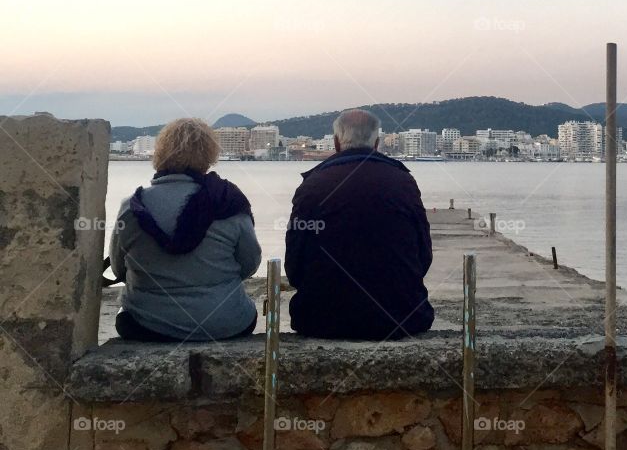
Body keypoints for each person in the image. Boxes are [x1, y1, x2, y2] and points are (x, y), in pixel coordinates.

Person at [285, 108, 434, 339]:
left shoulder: (312, 186)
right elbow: (424, 255)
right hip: (401, 317)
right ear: (376, 143)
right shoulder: (403, 182)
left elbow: (294, 263)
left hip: (320, 319)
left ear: (335, 143)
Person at [109, 117, 261, 341]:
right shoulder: (227, 201)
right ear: (209, 154)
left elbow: (117, 269)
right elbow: (250, 264)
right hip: (226, 322)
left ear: (159, 154)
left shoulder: (131, 208)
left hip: (147, 323)